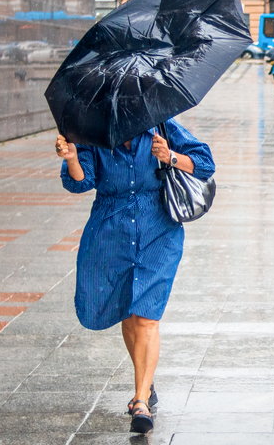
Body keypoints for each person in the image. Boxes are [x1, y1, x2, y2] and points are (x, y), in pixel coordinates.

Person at [54, 122, 215, 434]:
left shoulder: (162, 127)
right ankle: (146, 378)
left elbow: (205, 163)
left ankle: (141, 399)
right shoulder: (92, 135)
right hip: (109, 233)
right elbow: (80, 182)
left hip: (159, 231)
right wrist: (72, 157)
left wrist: (170, 156)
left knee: (146, 316)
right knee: (130, 313)